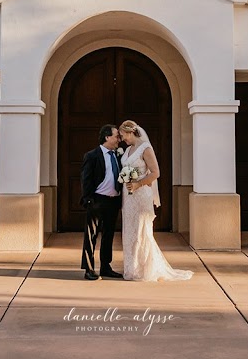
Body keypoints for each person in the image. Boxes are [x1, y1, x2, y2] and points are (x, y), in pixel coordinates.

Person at [118, 120, 193, 281]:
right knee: (129, 230)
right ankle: (131, 268)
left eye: (124, 136)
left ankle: (145, 269)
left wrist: (138, 183)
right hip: (128, 195)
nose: (123, 139)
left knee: (140, 230)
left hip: (141, 193)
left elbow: (155, 173)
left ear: (131, 132)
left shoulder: (146, 149)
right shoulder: (128, 150)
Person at [79, 124, 124, 280]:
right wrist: (88, 200)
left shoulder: (119, 155)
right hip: (97, 200)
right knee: (91, 236)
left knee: (108, 235)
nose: (119, 139)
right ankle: (89, 269)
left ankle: (106, 267)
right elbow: (86, 180)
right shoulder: (92, 156)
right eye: (116, 136)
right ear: (107, 137)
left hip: (114, 202)